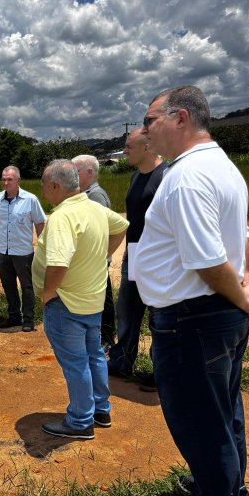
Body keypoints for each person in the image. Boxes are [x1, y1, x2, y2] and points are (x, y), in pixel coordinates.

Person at [134, 85, 249, 496]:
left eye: (150, 119)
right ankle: (227, 492)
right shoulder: (221, 166)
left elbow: (207, 262)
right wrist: (242, 282)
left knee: (201, 425)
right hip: (214, 315)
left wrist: (243, 297)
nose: (144, 129)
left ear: (181, 118)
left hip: (193, 319)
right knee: (223, 413)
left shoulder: (187, 176)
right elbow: (240, 238)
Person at [32, 160, 128, 439]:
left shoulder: (63, 217)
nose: (42, 189)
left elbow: (58, 263)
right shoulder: (95, 208)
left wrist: (48, 294)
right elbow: (122, 226)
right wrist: (102, 256)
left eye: (43, 184)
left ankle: (80, 421)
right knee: (95, 355)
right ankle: (101, 409)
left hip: (66, 303)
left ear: (55, 185)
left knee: (76, 363)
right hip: (92, 300)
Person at [106, 130, 167, 380]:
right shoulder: (134, 177)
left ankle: (162, 371)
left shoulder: (166, 176)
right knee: (128, 309)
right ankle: (121, 361)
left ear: (148, 146)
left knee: (159, 315)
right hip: (134, 254)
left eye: (129, 146)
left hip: (158, 258)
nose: (125, 151)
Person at [0, 166, 46, 331]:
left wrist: (43, 249)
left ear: (18, 180)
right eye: (3, 179)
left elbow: (39, 224)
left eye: (10, 179)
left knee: (27, 286)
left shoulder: (30, 199)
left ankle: (28, 320)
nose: (6, 182)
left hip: (23, 252)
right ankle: (14, 316)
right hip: (3, 251)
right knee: (8, 285)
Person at [72, 154, 116, 349]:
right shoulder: (85, 194)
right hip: (90, 260)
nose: (73, 176)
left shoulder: (96, 196)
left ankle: (106, 339)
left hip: (96, 260)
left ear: (90, 172)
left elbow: (102, 231)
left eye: (76, 172)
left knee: (103, 299)